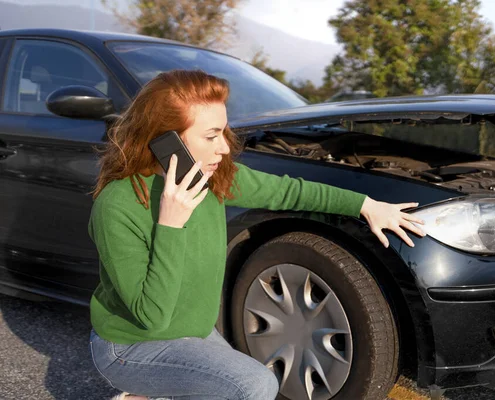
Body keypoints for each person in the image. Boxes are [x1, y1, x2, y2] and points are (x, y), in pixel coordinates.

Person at [87, 69, 425, 400]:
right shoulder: (118, 205)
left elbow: (289, 192)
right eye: (210, 136)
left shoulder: (212, 180)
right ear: (166, 141)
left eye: (224, 132)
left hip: (193, 332)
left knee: (227, 385)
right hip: (131, 346)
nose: (224, 148)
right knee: (253, 385)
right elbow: (152, 316)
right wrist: (171, 224)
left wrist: (364, 205)